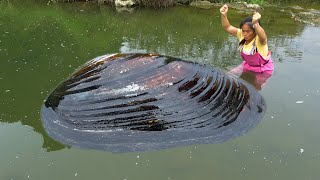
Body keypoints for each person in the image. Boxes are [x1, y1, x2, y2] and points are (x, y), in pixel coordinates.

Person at [220, 4, 274, 74]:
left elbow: (263, 35)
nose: (244, 34)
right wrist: (224, 15)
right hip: (247, 65)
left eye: (248, 31)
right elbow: (227, 27)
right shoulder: (242, 34)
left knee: (253, 85)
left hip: (263, 70)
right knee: (229, 75)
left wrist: (256, 24)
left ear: (255, 31)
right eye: (243, 30)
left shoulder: (260, 40)